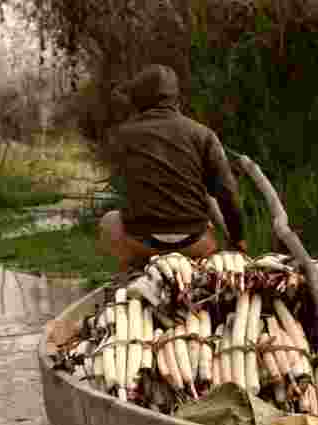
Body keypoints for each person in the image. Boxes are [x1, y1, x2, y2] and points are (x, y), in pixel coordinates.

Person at [97, 64, 247, 273]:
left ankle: (131, 269)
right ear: (176, 99)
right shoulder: (203, 134)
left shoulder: (122, 136)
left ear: (140, 100)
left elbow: (125, 187)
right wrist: (238, 239)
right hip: (195, 243)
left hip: (143, 243)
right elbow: (227, 193)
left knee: (109, 221)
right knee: (208, 228)